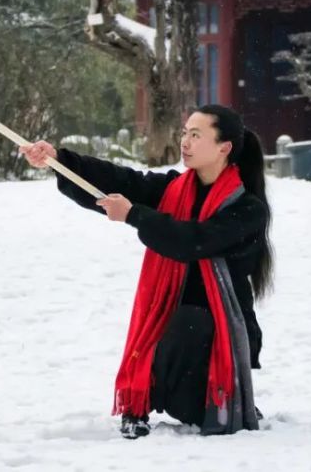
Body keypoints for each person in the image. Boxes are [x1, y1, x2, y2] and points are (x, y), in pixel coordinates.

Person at [20, 105, 273, 439]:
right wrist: (60, 162)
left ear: (224, 147)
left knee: (190, 343)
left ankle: (216, 396)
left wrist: (135, 215)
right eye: (185, 132)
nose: (185, 141)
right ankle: (141, 401)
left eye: (196, 135)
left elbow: (193, 241)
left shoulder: (247, 208)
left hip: (218, 330)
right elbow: (121, 180)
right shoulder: (174, 190)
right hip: (169, 323)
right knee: (165, 319)